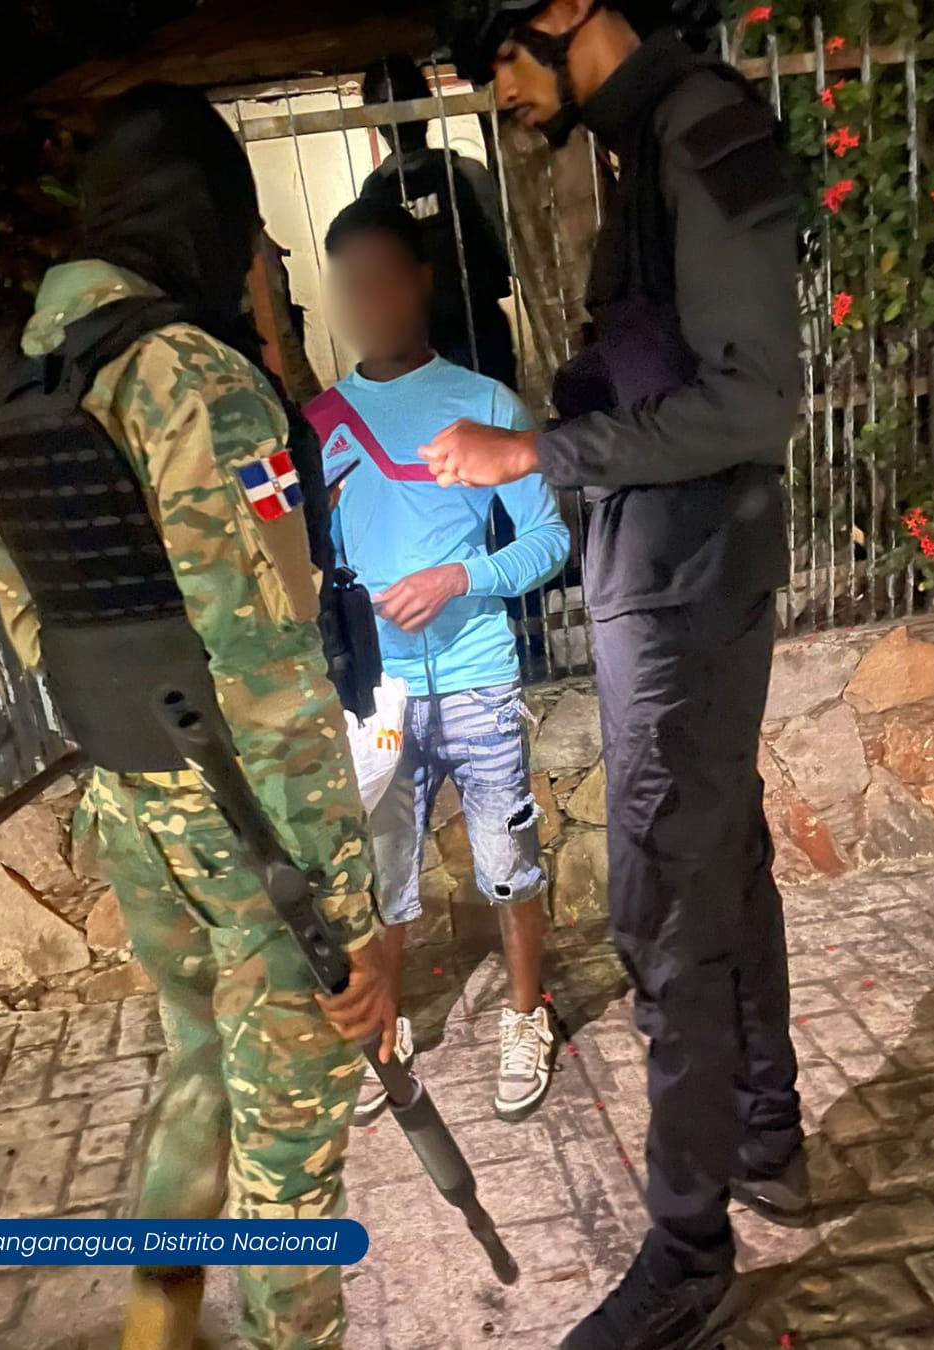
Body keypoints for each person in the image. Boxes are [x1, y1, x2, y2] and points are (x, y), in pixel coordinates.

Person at [0, 83, 396, 1350]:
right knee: (290, 1166)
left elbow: (30, 628)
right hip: (250, 824)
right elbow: (273, 671)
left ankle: (159, 1331)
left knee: (199, 1068)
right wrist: (354, 921)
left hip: (129, 800)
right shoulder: (189, 377)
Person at [425, 5, 807, 1348]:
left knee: (665, 910)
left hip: (690, 580)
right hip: (668, 571)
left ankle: (689, 1248)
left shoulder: (700, 131)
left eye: (495, 52)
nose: (493, 87)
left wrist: (539, 452)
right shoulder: (649, 140)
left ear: (568, 6)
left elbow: (753, 400)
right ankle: (766, 1138)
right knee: (722, 860)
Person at [304, 197, 570, 1124]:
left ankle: (526, 1015)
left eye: (384, 278)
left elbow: (548, 541)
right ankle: (385, 1034)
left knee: (509, 863)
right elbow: (303, 563)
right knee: (384, 881)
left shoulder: (487, 404)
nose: (368, 300)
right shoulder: (319, 422)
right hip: (373, 696)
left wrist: (460, 575)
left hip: (479, 679)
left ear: (421, 281)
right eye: (350, 285)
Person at [360, 53, 518, 391]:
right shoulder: (462, 174)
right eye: (388, 105)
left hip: (465, 338)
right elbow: (509, 253)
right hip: (439, 343)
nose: (397, 116)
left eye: (402, 101)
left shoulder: (378, 191)